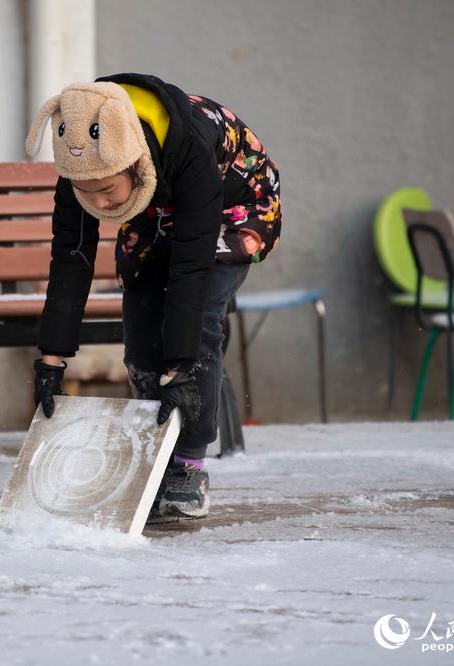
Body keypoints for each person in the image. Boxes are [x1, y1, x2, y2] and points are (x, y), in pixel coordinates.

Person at [26, 73, 281, 521]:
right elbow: (71, 260)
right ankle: (157, 448)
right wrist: (50, 361)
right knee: (142, 318)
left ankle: (188, 464)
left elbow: (191, 269)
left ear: (134, 162)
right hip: (152, 209)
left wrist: (181, 362)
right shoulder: (83, 161)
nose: (100, 205)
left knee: (194, 320)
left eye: (107, 192)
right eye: (88, 195)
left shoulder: (189, 148)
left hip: (230, 208)